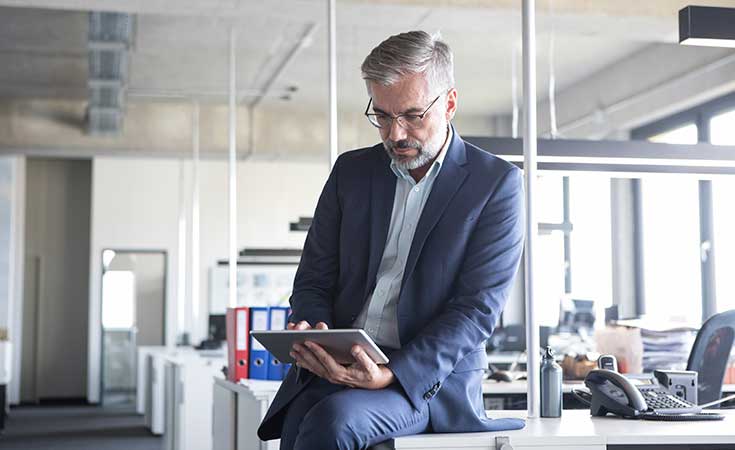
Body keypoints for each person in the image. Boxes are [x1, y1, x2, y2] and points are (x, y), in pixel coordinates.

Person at [257, 30, 526, 450]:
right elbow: (313, 279)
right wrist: (315, 330)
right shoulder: (351, 173)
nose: (395, 133)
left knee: (332, 422)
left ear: (449, 103)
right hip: (339, 365)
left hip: (422, 382)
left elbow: (476, 310)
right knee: (298, 420)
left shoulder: (496, 185)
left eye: (413, 115)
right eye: (381, 115)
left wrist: (392, 374)